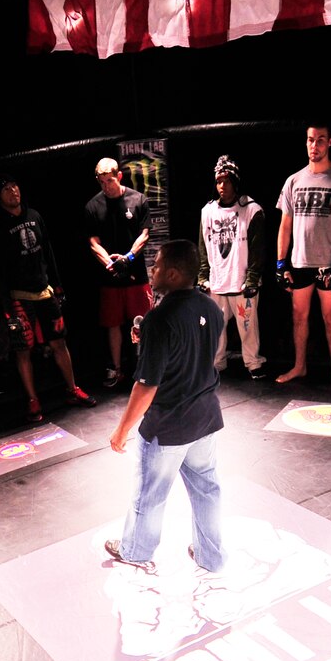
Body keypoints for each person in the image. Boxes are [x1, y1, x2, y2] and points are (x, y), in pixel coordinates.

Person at [104, 240, 227, 574]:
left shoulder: (160, 320)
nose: (152, 270)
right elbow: (191, 351)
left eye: (156, 265)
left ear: (172, 274)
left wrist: (121, 430)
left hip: (168, 427)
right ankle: (211, 555)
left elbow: (147, 385)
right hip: (205, 419)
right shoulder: (212, 308)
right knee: (207, 491)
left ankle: (135, 551)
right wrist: (151, 339)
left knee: (149, 495)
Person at [0, 176, 97, 421]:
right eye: (6, 189)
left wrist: (57, 285)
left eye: (15, 186)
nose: (13, 191)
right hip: (20, 297)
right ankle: (32, 400)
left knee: (59, 342)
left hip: (45, 291)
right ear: (0, 197)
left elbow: (48, 251)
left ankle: (72, 390)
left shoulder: (35, 215)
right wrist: (7, 309)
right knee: (23, 350)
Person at [274, 123, 331, 388]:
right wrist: (280, 262)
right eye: (311, 140)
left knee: (330, 316)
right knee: (298, 316)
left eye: (320, 140)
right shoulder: (293, 180)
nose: (315, 145)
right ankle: (300, 366)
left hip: (327, 262)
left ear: (330, 142)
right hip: (299, 261)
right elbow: (285, 225)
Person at [84, 158, 153, 389]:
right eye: (102, 182)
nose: (106, 186)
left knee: (141, 323)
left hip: (136, 276)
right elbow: (93, 242)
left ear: (119, 177)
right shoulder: (93, 206)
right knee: (113, 324)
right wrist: (109, 263)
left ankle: (146, 367)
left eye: (110, 181)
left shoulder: (138, 199)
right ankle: (117, 369)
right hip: (109, 278)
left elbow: (144, 235)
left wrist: (128, 258)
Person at [198, 155, 266, 378]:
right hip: (217, 281)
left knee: (247, 326)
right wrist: (202, 276)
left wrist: (252, 278)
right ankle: (217, 363)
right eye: (219, 181)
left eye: (227, 181)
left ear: (235, 182)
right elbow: (202, 246)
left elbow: (258, 248)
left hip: (240, 279)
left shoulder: (251, 209)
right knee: (216, 328)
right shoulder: (207, 211)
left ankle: (253, 363)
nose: (222, 186)